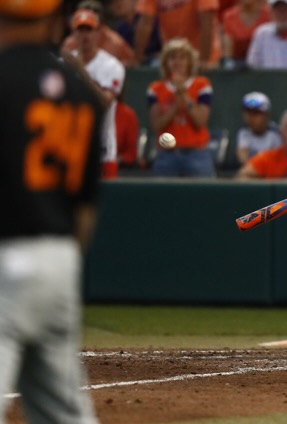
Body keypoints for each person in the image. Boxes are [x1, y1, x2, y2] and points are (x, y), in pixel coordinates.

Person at [0, 0, 104, 421]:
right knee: (64, 412)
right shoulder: (81, 91)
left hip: (6, 258)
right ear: (56, 18)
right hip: (59, 261)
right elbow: (85, 209)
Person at [65, 8, 126, 180]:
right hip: (70, 148)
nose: (85, 35)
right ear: (73, 33)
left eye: (89, 29)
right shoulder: (63, 63)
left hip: (102, 150)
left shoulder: (111, 65)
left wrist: (80, 71)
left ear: (98, 33)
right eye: (80, 30)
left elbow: (105, 103)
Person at [147, 38, 216, 177]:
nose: (177, 62)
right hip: (166, 155)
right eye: (172, 58)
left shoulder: (202, 85)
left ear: (189, 61)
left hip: (197, 154)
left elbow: (200, 121)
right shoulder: (155, 89)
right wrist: (174, 108)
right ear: (166, 62)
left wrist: (183, 93)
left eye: (182, 58)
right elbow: (157, 125)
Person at [134, 0, 221, 69]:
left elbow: (206, 24)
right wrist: (137, 59)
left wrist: (204, 61)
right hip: (173, 58)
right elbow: (145, 24)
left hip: (203, 57)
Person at [61, 0, 136, 67]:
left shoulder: (115, 44)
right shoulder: (70, 44)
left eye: (90, 28)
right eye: (81, 28)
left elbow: (133, 63)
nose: (85, 34)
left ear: (101, 25)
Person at [221, 0, 272, 69]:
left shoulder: (269, 15)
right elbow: (227, 54)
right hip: (237, 67)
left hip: (264, 66)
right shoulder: (229, 16)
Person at [236, 91, 282, 164]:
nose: (251, 118)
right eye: (248, 113)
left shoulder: (277, 133)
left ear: (266, 115)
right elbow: (243, 159)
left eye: (256, 113)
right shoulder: (244, 133)